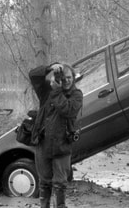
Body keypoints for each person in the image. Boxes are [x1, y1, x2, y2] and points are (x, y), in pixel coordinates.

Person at [29, 62, 83, 208]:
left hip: (62, 146)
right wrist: (50, 68)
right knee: (44, 182)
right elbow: (33, 74)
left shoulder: (76, 95)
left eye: (69, 77)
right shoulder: (46, 92)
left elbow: (68, 110)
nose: (66, 80)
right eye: (63, 77)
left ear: (73, 77)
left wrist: (57, 92)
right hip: (43, 145)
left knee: (60, 184)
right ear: (57, 78)